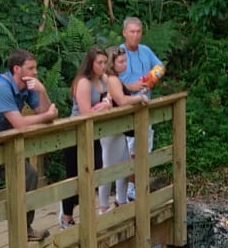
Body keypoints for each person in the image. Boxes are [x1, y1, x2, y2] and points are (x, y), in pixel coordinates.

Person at [0, 48, 58, 241]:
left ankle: (24, 229)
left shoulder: (29, 87)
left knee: (29, 176)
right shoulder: (1, 86)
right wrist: (47, 115)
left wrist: (42, 90)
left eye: (36, 68)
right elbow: (19, 123)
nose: (35, 72)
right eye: (31, 68)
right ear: (17, 69)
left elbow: (46, 113)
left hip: (4, 145)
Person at [59, 46, 114, 228]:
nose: (103, 66)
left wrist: (106, 104)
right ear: (90, 64)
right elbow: (85, 113)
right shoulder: (83, 82)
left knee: (97, 170)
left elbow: (110, 98)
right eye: (99, 63)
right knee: (74, 176)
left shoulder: (104, 79)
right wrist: (104, 105)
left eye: (105, 62)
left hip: (94, 133)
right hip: (75, 134)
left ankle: (91, 212)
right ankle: (66, 216)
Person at [118, 15, 163, 193]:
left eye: (138, 32)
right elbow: (110, 78)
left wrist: (151, 79)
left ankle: (137, 186)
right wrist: (130, 85)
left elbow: (160, 66)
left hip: (145, 105)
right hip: (126, 107)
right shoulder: (119, 53)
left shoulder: (145, 50)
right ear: (124, 33)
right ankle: (127, 189)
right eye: (132, 32)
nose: (135, 35)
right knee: (129, 150)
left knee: (144, 148)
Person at [101, 48, 145, 208]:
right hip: (110, 129)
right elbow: (121, 100)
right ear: (112, 63)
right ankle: (104, 206)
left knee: (125, 163)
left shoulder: (116, 79)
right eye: (121, 61)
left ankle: (121, 200)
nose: (124, 64)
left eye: (126, 61)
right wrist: (139, 98)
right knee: (108, 167)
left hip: (119, 128)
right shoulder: (112, 79)